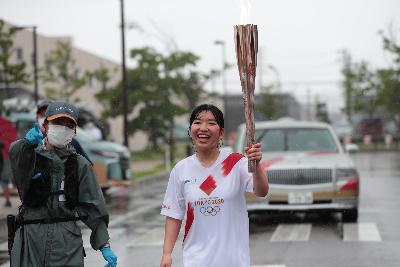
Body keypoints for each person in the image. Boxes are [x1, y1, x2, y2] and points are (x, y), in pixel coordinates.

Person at [9, 101, 117, 267]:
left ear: (74, 131)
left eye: (69, 124)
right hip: (30, 240)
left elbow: (93, 206)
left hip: (66, 243)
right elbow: (16, 157)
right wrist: (26, 144)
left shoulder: (80, 164)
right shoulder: (29, 155)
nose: (63, 128)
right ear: (45, 126)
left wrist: (105, 244)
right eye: (58, 122)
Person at [160, 104, 268, 267]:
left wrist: (257, 165)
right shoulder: (181, 169)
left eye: (211, 123)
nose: (203, 128)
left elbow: (261, 191)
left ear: (221, 132)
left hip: (233, 260)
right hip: (196, 260)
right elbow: (174, 214)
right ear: (190, 130)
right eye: (197, 122)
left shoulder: (236, 163)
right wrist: (167, 254)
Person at [36, 100, 93, 165]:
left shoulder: (73, 144)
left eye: (69, 125)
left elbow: (87, 167)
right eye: (42, 115)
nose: (62, 128)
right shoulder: (30, 143)